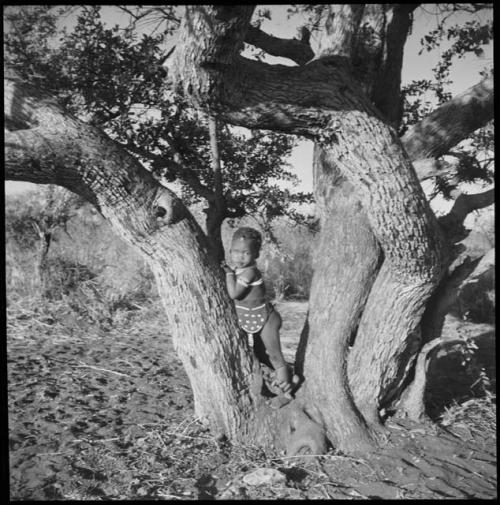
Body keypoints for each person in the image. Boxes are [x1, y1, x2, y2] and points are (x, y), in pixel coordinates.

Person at [221, 226, 293, 399]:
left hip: (266, 319)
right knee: (260, 355)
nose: (240, 256)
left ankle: (287, 392)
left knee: (275, 356)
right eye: (236, 252)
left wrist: (229, 274)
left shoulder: (250, 272)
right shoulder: (241, 270)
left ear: (256, 255)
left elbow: (234, 294)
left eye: (245, 253)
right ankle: (289, 378)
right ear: (230, 251)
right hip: (252, 317)